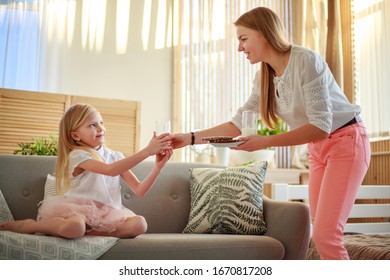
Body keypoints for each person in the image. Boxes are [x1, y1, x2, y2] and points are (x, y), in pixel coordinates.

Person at [172, 7, 370, 260]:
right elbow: (236, 124)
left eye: (243, 38)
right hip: (318, 149)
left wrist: (265, 142)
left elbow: (320, 126)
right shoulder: (263, 77)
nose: (239, 48)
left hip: (346, 142)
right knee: (318, 234)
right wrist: (188, 138)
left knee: (326, 235)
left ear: (264, 34)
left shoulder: (306, 61)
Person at [0, 103, 173, 239]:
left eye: (101, 122)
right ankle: (31, 226)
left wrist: (158, 167)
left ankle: (88, 234)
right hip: (77, 212)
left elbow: (139, 190)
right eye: (92, 125)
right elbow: (110, 170)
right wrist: (147, 151)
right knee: (75, 226)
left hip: (107, 214)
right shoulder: (78, 155)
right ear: (75, 135)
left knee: (140, 224)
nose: (100, 128)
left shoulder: (115, 156)